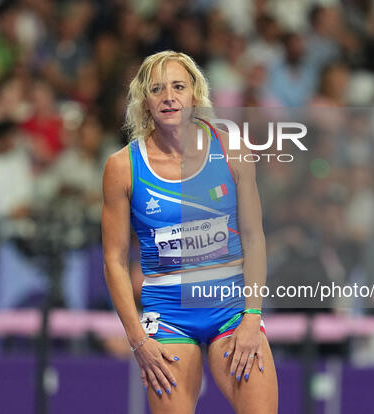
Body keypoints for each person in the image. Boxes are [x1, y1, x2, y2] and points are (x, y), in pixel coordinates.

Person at [102, 51, 278, 413]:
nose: (169, 96)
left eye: (178, 86)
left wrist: (253, 317)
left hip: (230, 310)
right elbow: (114, 260)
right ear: (144, 101)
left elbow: (255, 238)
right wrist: (139, 341)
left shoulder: (231, 148)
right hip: (168, 317)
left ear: (195, 95)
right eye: (157, 89)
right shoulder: (122, 166)